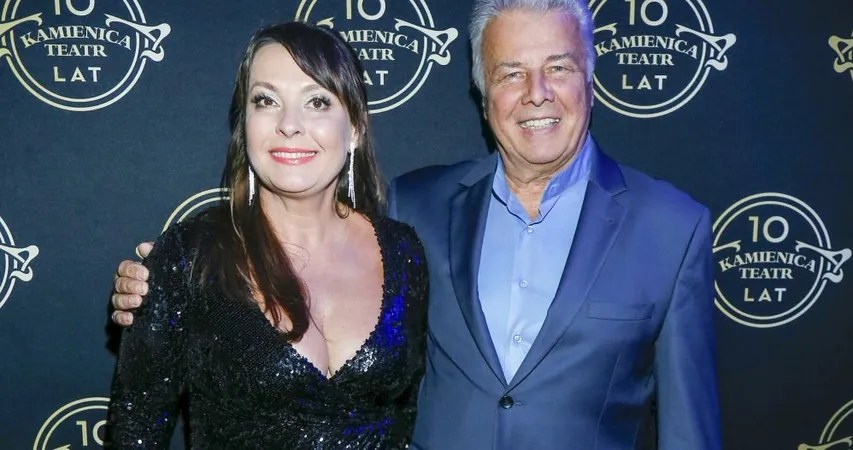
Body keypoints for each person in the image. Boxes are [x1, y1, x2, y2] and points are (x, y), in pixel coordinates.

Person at [111, 0, 720, 448]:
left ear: (589, 75)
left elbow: (688, 431)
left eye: (558, 67)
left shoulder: (673, 229)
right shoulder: (419, 207)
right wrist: (152, 288)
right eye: (510, 72)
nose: (536, 92)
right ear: (482, 92)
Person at [105, 21, 428, 449]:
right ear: (245, 123)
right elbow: (134, 435)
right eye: (266, 100)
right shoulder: (188, 258)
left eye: (317, 101)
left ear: (355, 128)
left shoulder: (403, 252)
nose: (289, 124)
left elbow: (408, 416)